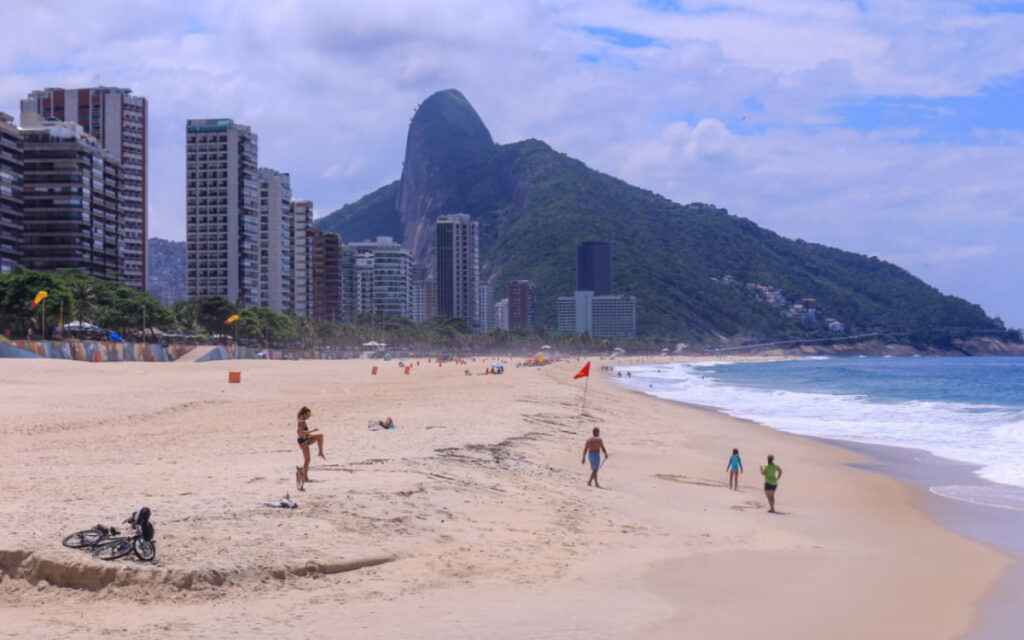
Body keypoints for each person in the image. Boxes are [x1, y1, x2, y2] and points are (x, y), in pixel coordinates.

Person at [296, 406, 326, 482]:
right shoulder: (301, 421)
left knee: (320, 435)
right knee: (307, 460)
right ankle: (304, 477)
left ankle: (320, 452)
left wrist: (311, 433)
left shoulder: (303, 420)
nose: (309, 417)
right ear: (305, 414)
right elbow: (300, 433)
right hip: (303, 442)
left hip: (307, 439)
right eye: (308, 415)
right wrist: (312, 431)